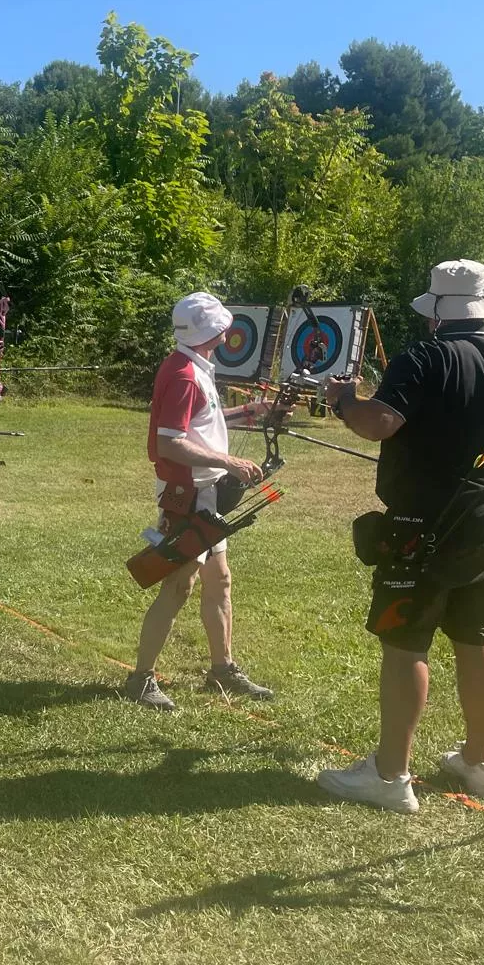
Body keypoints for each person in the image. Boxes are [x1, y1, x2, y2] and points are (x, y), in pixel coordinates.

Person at [317, 259, 484, 813]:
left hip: (425, 525)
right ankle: (479, 764)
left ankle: (388, 777)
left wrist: (345, 402)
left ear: (436, 312)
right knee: (476, 634)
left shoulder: (422, 356)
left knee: (406, 642)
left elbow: (381, 423)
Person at [125, 292, 273, 712]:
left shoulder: (190, 367)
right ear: (218, 333)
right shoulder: (186, 374)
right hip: (188, 496)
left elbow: (199, 424)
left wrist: (249, 411)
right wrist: (230, 461)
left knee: (219, 580)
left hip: (204, 493)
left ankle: (222, 669)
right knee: (178, 585)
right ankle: (140, 679)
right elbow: (170, 444)